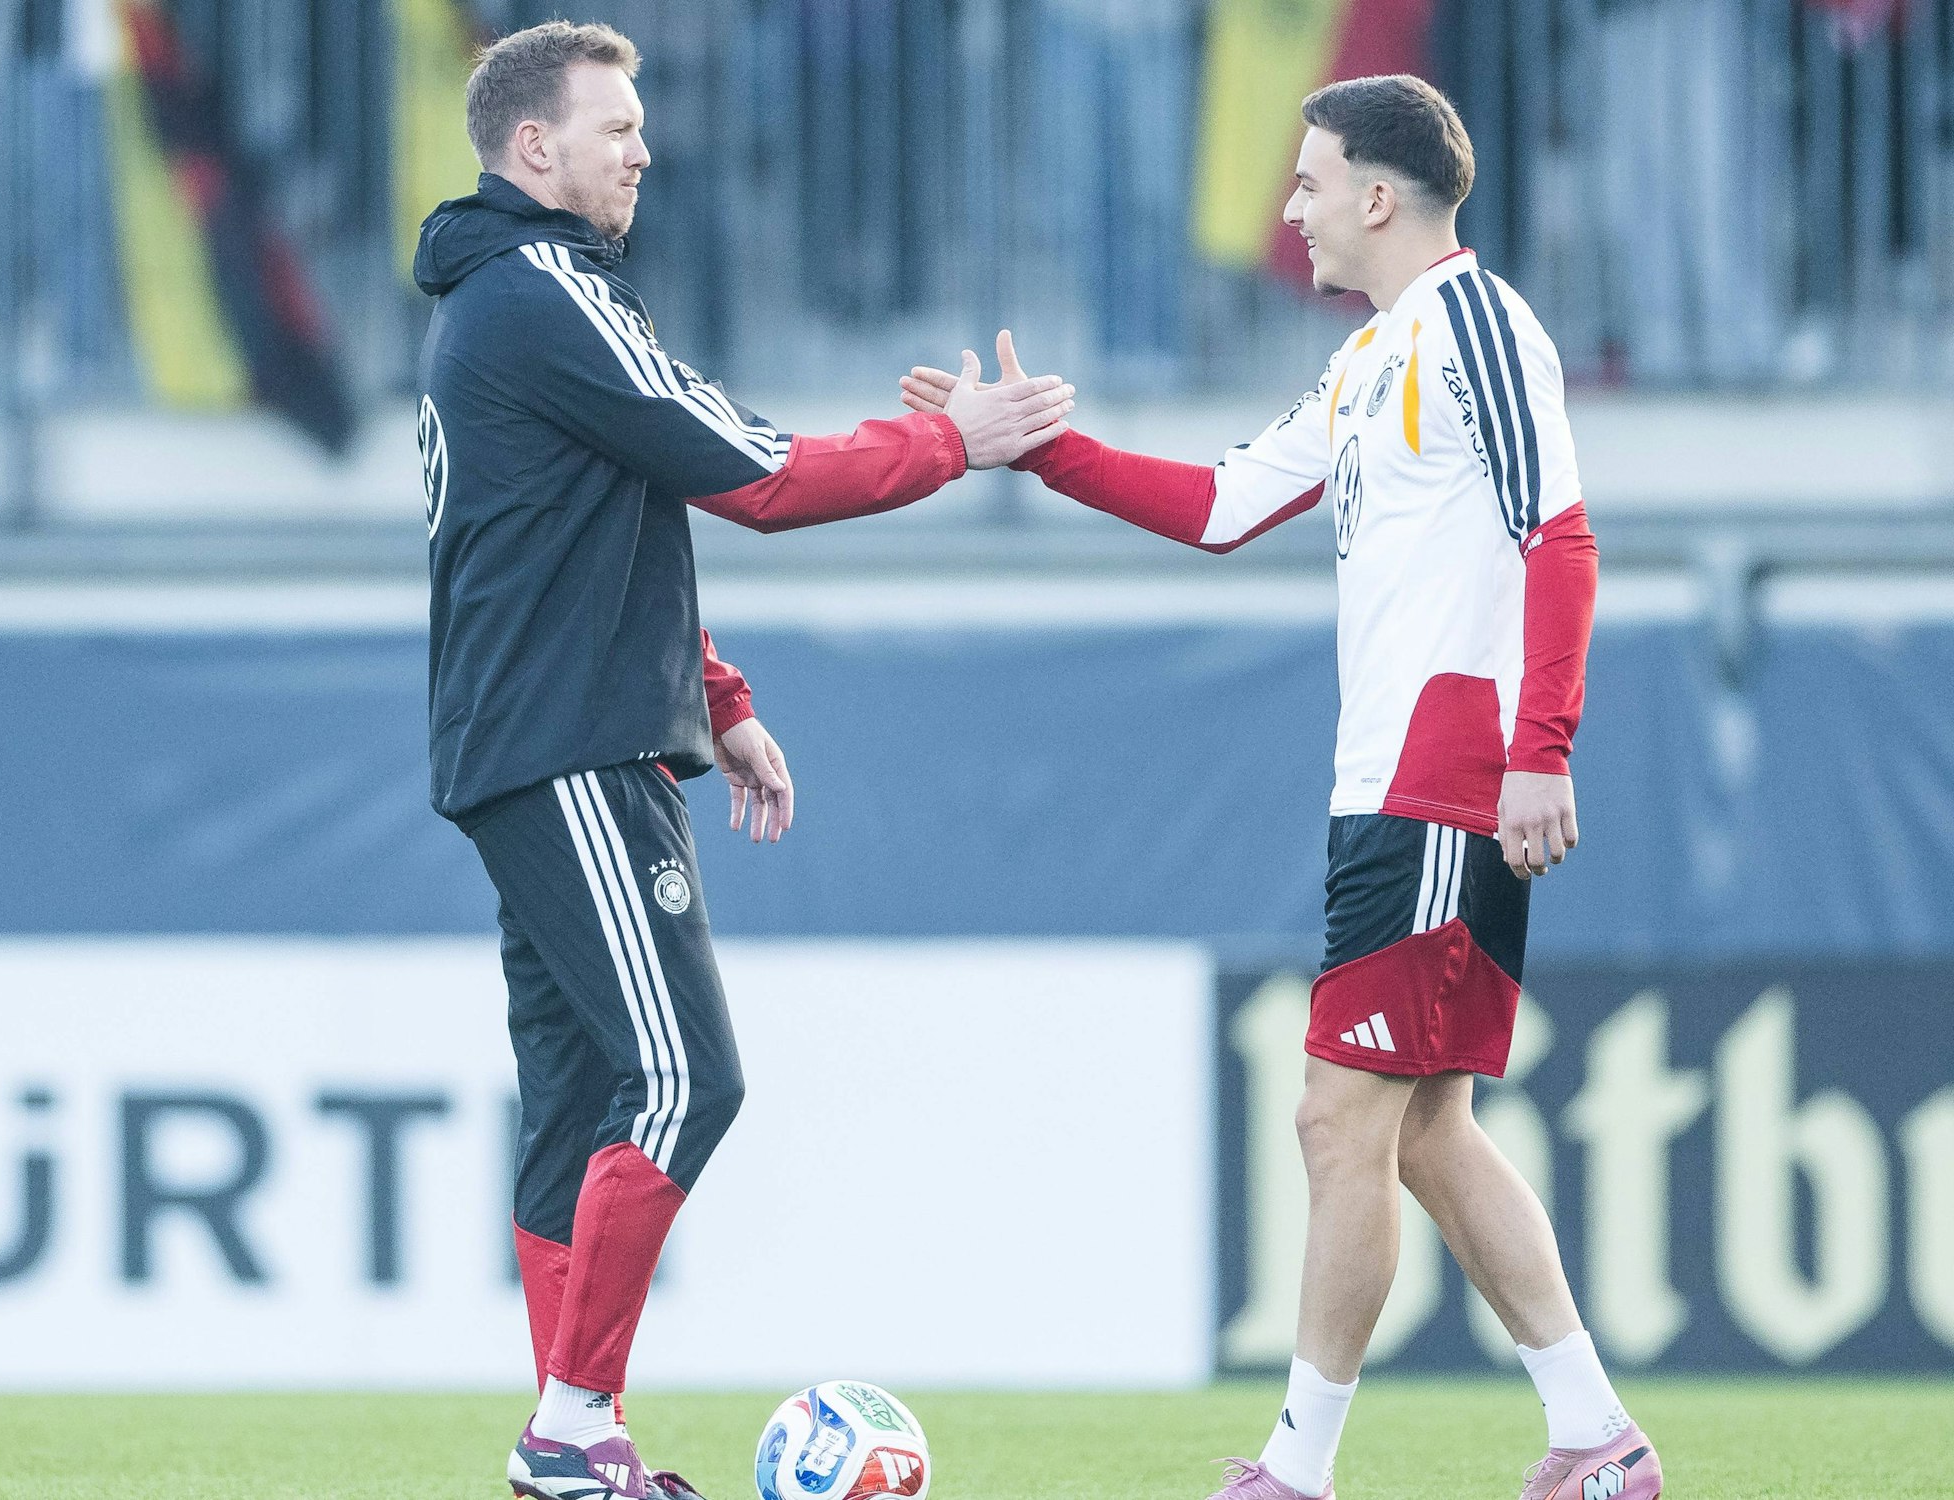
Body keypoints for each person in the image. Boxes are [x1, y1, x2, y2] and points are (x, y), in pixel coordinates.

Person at [902, 73, 1659, 1500]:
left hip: (1450, 772)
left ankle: (1298, 1471)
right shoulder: (1375, 355)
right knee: (1424, 1132)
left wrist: (1540, 751)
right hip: (1384, 782)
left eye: (1309, 179)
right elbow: (1222, 506)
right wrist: (1032, 444)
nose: (1291, 204)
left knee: (1338, 1116)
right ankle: (1594, 1439)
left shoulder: (1479, 325)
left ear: (1380, 195)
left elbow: (1559, 538)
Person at [414, 21, 1073, 1500]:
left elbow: (585, 528)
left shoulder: (511, 299)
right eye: (616, 124)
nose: (645, 145)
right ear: (536, 148)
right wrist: (953, 444)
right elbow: (758, 474)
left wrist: (711, 692)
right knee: (682, 1077)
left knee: (580, 1109)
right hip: (570, 743)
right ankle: (569, 1432)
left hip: (542, 734)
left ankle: (578, 1442)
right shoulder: (540, 293)